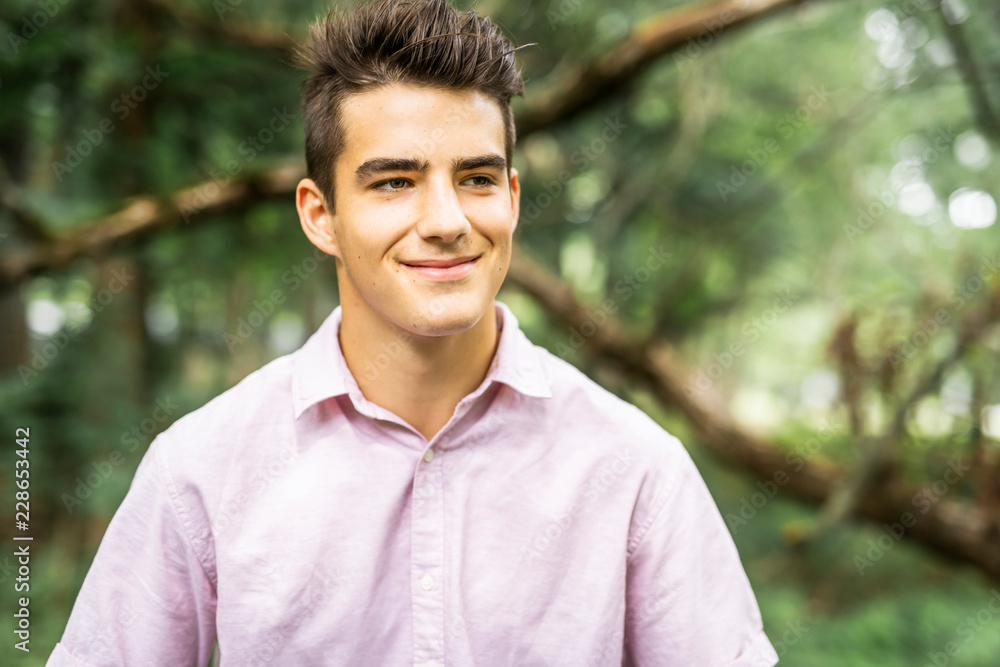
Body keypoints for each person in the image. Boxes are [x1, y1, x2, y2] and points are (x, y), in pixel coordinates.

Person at [47, 1, 779, 665]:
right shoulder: (201, 471)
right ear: (319, 214)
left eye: (477, 178)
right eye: (394, 181)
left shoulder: (636, 470)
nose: (447, 220)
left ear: (512, 199)